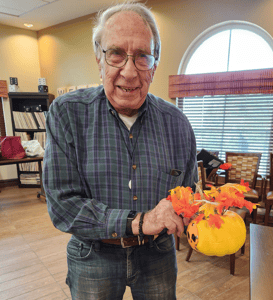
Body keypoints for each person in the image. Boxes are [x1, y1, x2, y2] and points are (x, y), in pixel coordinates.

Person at [43, 2, 198, 299]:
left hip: (158, 255)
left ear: (155, 61)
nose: (129, 72)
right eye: (116, 54)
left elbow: (186, 194)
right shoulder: (66, 114)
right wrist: (139, 222)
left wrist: (213, 210)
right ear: (99, 59)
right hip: (93, 254)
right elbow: (62, 206)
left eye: (142, 56)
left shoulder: (177, 123)